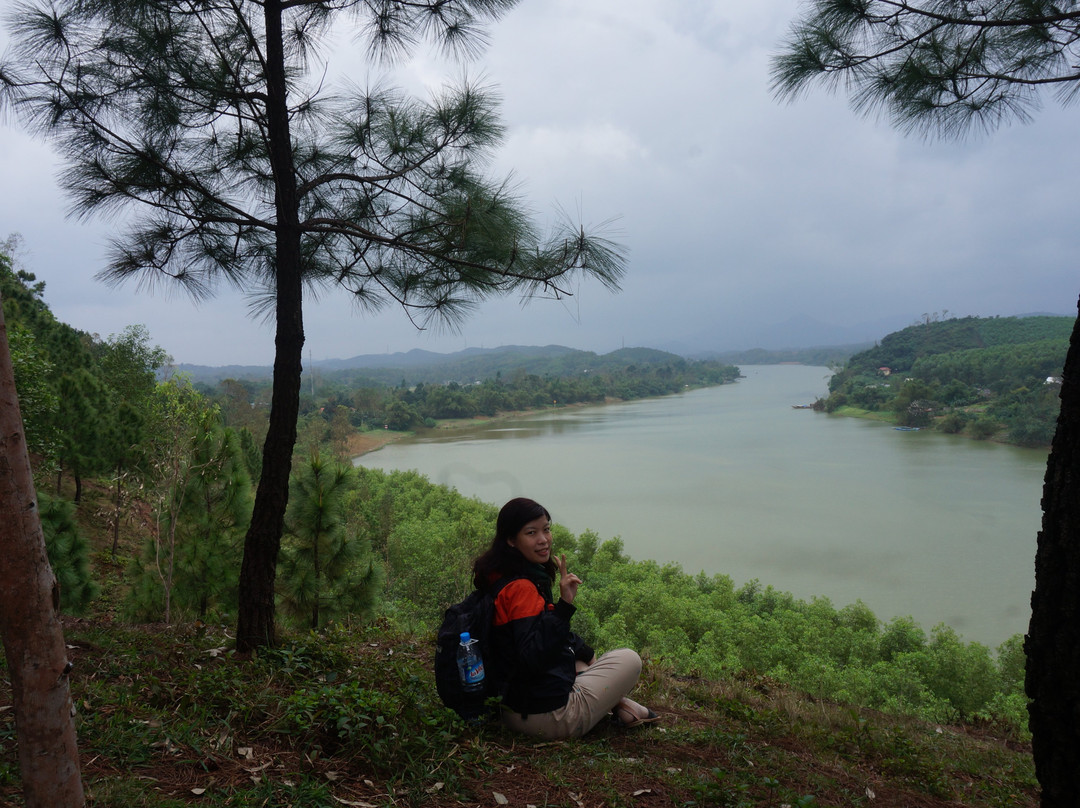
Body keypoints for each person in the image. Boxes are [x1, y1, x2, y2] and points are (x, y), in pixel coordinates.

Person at [471, 497, 658, 739]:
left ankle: (622, 707)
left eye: (546, 529)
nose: (543, 539)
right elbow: (532, 657)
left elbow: (539, 633)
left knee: (578, 659)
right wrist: (564, 606)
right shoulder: (521, 588)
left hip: (511, 705)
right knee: (629, 659)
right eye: (531, 532)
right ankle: (624, 705)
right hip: (545, 718)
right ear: (511, 540)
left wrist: (585, 652)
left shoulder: (500, 575)